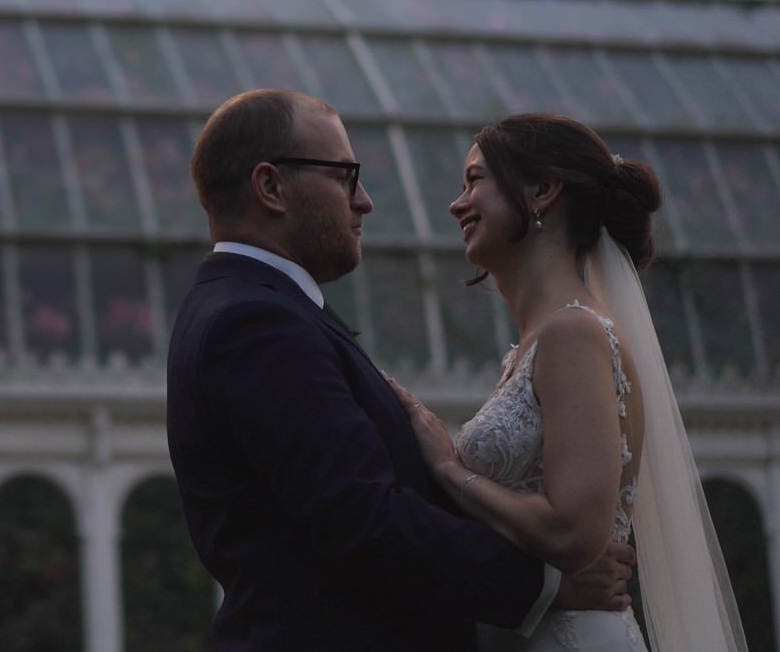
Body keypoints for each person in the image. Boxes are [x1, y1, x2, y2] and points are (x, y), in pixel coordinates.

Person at [166, 89, 634, 652]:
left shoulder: (261, 312)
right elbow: (358, 516)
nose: (363, 201)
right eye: (343, 176)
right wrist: (541, 586)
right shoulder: (256, 322)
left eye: (474, 182)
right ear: (270, 187)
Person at [390, 114, 747, 651]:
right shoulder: (539, 342)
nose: (457, 203)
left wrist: (447, 468)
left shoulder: (573, 332)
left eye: (475, 180)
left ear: (542, 191)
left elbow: (573, 531)